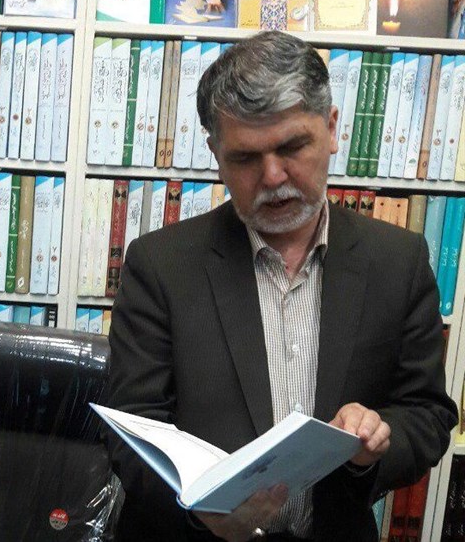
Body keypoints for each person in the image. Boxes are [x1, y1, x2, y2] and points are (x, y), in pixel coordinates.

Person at [107, 31, 457, 542]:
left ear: (331, 128)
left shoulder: (397, 261)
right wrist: (198, 510)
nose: (272, 177)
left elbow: (427, 414)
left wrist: (372, 444)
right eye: (245, 158)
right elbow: (129, 433)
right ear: (216, 153)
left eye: (292, 147)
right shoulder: (160, 265)